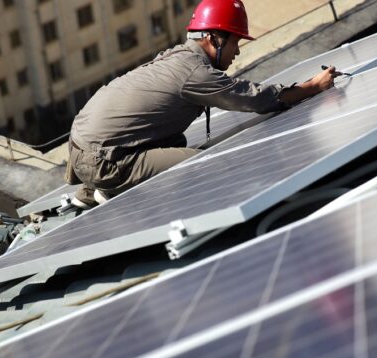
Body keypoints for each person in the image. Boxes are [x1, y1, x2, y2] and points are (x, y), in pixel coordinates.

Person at [66, 0, 341, 209]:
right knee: (202, 163)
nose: (238, 51)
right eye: (235, 41)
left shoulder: (178, 56)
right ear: (213, 38)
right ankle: (109, 187)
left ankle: (93, 188)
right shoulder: (194, 72)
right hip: (101, 160)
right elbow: (252, 98)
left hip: (84, 145)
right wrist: (313, 87)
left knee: (177, 140)